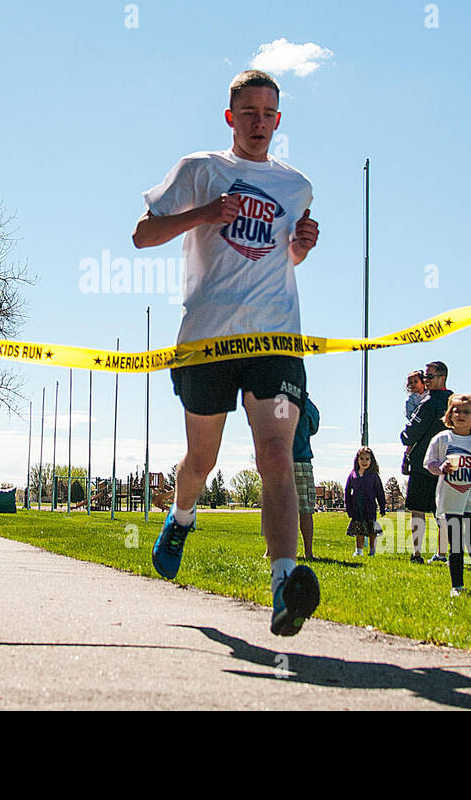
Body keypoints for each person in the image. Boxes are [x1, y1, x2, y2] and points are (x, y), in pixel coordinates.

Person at [132, 69, 321, 637]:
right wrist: (205, 215)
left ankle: (284, 585)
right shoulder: (199, 170)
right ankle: (181, 516)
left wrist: (299, 250)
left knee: (276, 458)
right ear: (229, 117)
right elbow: (142, 234)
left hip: (276, 338)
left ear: (279, 121)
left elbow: (277, 261)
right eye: (249, 113)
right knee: (201, 462)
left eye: (269, 114)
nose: (259, 123)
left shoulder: (297, 186)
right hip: (207, 338)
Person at [423, 395, 471, 596]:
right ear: (449, 415)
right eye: (456, 411)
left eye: (466, 412)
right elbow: (429, 464)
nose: (460, 415)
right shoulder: (441, 439)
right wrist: (441, 468)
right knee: (456, 543)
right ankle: (457, 586)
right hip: (450, 500)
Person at [400, 361, 452, 564]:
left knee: (418, 510)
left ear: (442, 378)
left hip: (424, 463)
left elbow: (411, 433)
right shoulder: (453, 401)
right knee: (443, 512)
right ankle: (442, 553)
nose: (425, 381)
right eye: (425, 377)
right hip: (447, 464)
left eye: (429, 377)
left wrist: (404, 435)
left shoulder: (429, 402)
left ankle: (417, 553)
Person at [292, 394, 320, 560]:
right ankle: (308, 552)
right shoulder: (308, 405)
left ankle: (272, 550)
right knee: (306, 510)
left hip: (280, 460)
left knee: (279, 509)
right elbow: (314, 428)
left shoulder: (278, 399)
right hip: (302, 460)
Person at [345, 447, 386, 557]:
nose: (364, 461)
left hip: (370, 507)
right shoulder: (353, 475)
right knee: (359, 531)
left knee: (372, 531)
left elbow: (380, 492)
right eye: (361, 458)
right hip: (357, 508)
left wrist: (382, 506)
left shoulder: (374, 476)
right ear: (357, 460)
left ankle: (372, 551)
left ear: (371, 460)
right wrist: (349, 508)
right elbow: (347, 492)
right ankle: (359, 551)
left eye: (367, 459)